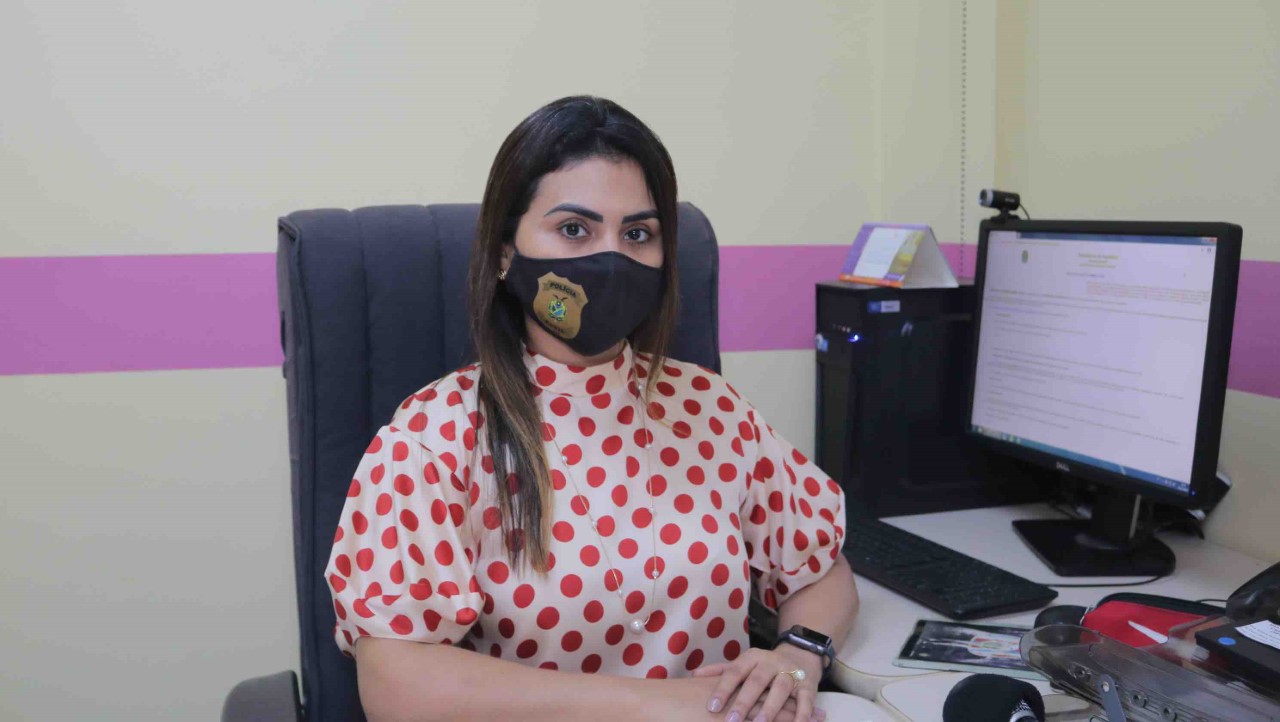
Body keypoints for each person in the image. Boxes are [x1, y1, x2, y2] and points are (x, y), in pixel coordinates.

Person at [325, 95, 859, 722]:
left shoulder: (712, 407)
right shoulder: (432, 438)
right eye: (574, 230)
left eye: (638, 234)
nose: (611, 260)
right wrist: (664, 707)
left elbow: (817, 567)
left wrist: (799, 654)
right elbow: (395, 684)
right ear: (505, 253)